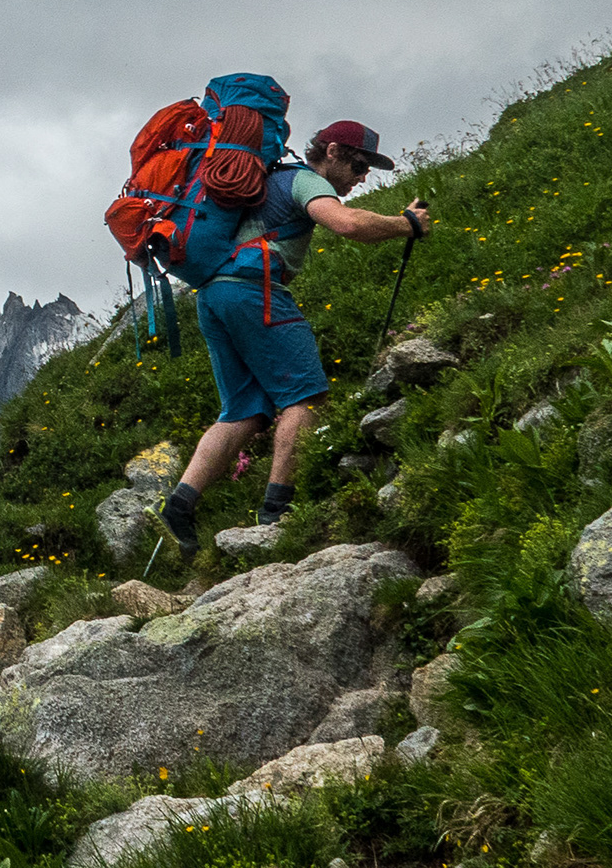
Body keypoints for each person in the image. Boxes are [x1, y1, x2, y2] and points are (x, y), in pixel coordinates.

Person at [155, 118, 429, 557]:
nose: (362, 178)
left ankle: (179, 507)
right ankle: (277, 511)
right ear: (333, 151)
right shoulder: (304, 181)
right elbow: (347, 224)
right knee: (306, 397)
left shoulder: (270, 179)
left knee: (245, 411)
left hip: (212, 295)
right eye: (359, 165)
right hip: (255, 292)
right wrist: (406, 224)